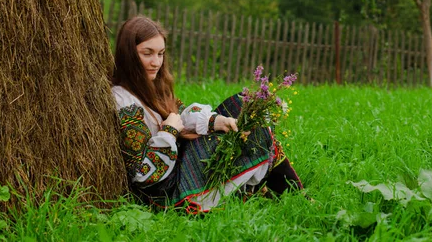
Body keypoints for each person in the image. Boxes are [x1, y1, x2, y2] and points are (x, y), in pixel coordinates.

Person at [111, 16, 302, 212]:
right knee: (259, 131)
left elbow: (181, 115)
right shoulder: (124, 101)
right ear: (129, 54)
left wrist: (217, 121)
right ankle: (293, 194)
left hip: (178, 161)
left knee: (244, 106)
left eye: (161, 54)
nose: (156, 62)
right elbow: (142, 175)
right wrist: (168, 132)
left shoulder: (154, 84)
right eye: (147, 53)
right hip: (166, 192)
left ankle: (262, 186)